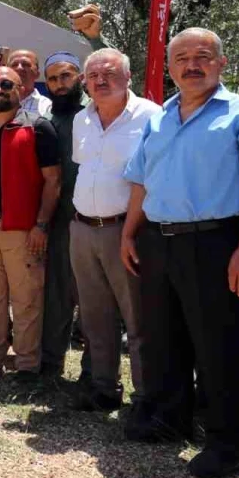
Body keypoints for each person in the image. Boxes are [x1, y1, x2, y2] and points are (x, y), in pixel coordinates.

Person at [120, 27, 239, 478]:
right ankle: (172, 419)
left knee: (220, 344)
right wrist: (130, 233)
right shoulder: (160, 117)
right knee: (166, 337)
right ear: (170, 68)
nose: (192, 65)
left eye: (203, 56)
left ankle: (227, 445)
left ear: (222, 63)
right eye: (182, 59)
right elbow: (141, 180)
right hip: (159, 239)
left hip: (218, 242)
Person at [69, 49, 160, 411]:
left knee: (138, 321)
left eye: (109, 73)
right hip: (83, 229)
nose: (101, 80)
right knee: (95, 317)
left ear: (128, 77)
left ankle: (146, 399)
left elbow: (152, 179)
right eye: (93, 75)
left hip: (128, 232)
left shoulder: (152, 117)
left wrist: (131, 233)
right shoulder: (82, 119)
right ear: (85, 82)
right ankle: (104, 388)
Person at [0, 66, 61, 383]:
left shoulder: (39, 128)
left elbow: (53, 181)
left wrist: (41, 226)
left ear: (21, 88)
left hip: (22, 229)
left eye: (7, 83)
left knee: (26, 299)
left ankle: (28, 364)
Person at [40, 51, 86, 379]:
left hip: (94, 220)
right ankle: (50, 365)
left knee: (96, 302)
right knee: (56, 294)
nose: (60, 84)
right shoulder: (45, 117)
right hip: (56, 220)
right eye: (53, 78)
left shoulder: (98, 112)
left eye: (66, 76)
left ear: (80, 77)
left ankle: (96, 375)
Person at [6, 51, 53, 117]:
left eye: (26, 64)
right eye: (14, 64)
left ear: (37, 74)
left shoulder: (47, 107)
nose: (19, 68)